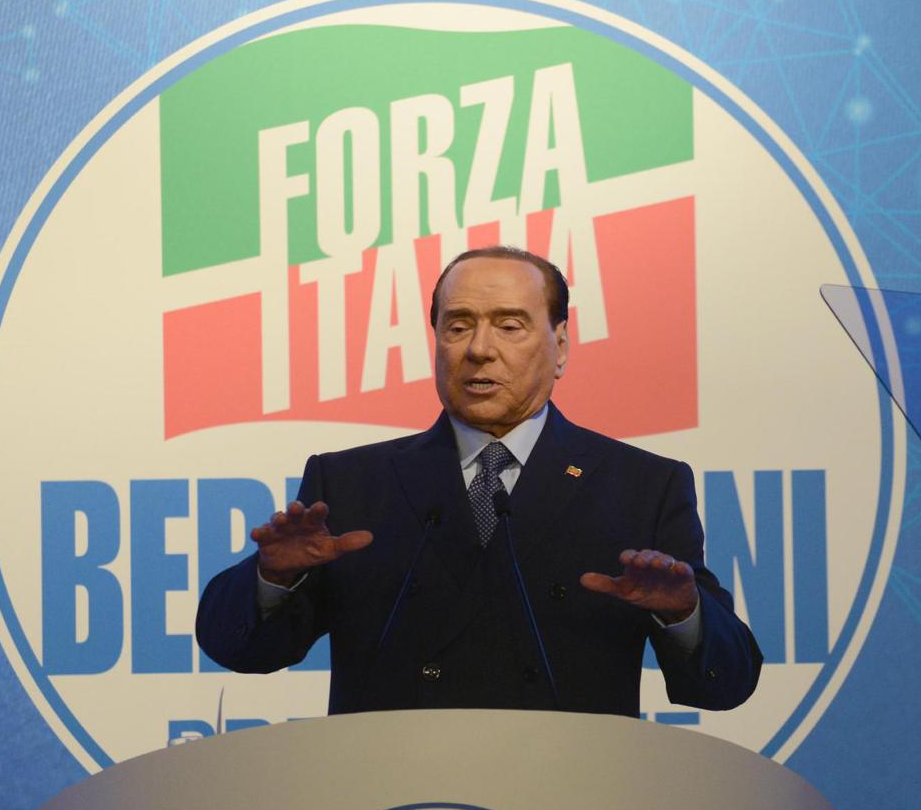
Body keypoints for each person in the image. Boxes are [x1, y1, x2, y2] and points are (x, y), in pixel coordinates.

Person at [196, 246, 762, 716]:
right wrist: (272, 578)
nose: (479, 350)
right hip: (395, 791)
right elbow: (242, 650)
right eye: (458, 326)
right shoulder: (351, 482)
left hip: (567, 788)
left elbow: (725, 683)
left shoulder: (641, 485)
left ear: (560, 347)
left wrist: (682, 614)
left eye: (509, 326)